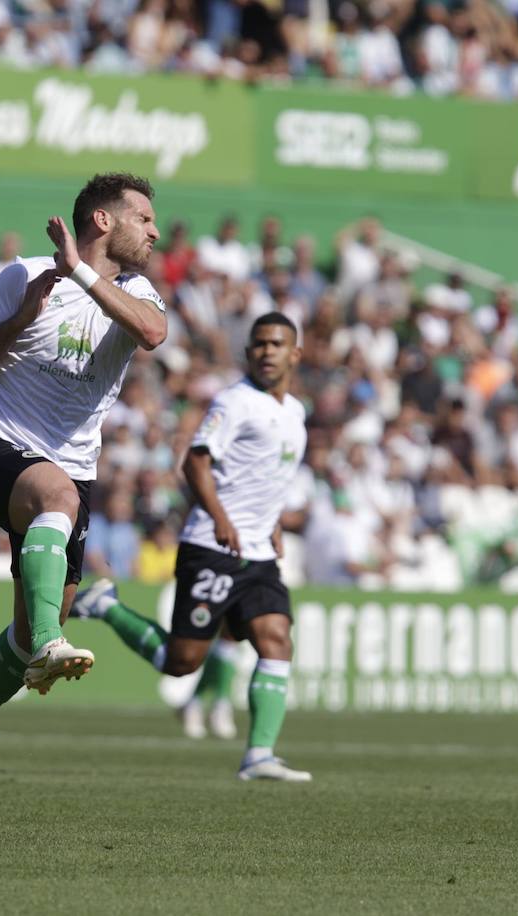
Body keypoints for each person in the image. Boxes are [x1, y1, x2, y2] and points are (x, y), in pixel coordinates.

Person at [0, 172, 166, 796]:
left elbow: (152, 334)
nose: (154, 231)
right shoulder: (20, 276)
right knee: (57, 502)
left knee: (27, 631)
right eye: (144, 219)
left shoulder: (139, 292)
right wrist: (20, 319)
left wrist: (84, 275)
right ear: (104, 221)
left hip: (73, 468)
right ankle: (49, 641)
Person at [72, 312, 313, 782]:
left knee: (276, 638)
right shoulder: (235, 403)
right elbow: (195, 465)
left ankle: (259, 754)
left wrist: (274, 523)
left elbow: (266, 476)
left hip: (259, 552)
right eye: (259, 344)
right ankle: (108, 607)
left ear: (295, 354)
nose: (267, 351)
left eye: (277, 344)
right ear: (248, 354)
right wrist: (222, 519)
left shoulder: (296, 414)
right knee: (181, 663)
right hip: (212, 546)